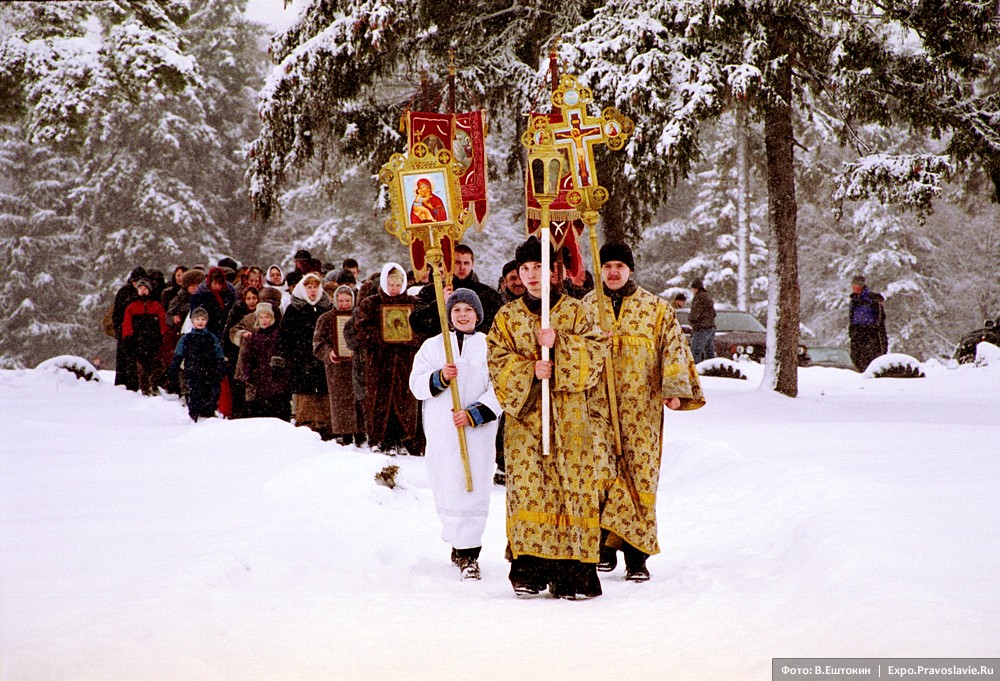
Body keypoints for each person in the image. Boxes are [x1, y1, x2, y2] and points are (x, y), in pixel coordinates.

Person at [486, 236, 610, 600]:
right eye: (524, 269)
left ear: (554, 270)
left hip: (569, 416)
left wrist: (562, 345)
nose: (530, 275)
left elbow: (597, 353)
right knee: (529, 489)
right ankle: (529, 570)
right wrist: (529, 370)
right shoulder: (507, 316)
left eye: (538, 267)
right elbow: (496, 360)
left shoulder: (576, 311)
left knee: (570, 489)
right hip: (526, 421)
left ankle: (573, 574)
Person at [584, 243, 706, 581]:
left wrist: (675, 390)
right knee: (599, 472)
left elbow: (673, 348)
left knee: (639, 478)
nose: (612, 272)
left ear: (630, 270)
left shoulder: (657, 309)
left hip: (642, 408)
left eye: (619, 266)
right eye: (606, 265)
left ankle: (636, 557)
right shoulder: (587, 307)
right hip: (597, 407)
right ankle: (603, 545)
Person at [409, 288, 500, 581]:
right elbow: (416, 384)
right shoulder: (434, 347)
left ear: (478, 315)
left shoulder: (490, 346)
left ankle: (470, 553)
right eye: (457, 310)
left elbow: (501, 387)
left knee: (474, 485)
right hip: (444, 431)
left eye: (468, 311)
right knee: (448, 483)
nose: (463, 315)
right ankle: (458, 544)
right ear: (449, 315)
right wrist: (439, 378)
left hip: (477, 433)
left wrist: (477, 413)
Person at [352, 263, 422, 455]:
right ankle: (378, 438)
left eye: (398, 284)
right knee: (379, 399)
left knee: (403, 399)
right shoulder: (371, 303)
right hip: (379, 361)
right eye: (390, 284)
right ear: (383, 282)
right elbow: (359, 329)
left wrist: (409, 338)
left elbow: (423, 329)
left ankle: (401, 438)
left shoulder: (413, 304)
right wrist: (380, 336)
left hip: (404, 360)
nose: (394, 288)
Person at [274, 272, 334, 439]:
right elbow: (284, 335)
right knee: (304, 392)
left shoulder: (326, 307)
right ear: (303, 288)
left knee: (323, 391)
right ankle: (306, 424)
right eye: (309, 287)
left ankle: (325, 426)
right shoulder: (294, 308)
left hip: (322, 356)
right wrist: (282, 355)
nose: (313, 290)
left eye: (315, 287)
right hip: (301, 357)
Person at [410, 244, 504, 337]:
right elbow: (417, 323)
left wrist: (472, 335)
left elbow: (498, 324)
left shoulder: (488, 294)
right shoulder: (431, 291)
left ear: (472, 264)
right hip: (440, 347)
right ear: (449, 263)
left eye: (466, 263)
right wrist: (440, 303)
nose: (462, 267)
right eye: (458, 262)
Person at [314, 285, 362, 444]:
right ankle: (346, 435)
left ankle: (362, 433)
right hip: (337, 368)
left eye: (347, 300)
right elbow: (318, 343)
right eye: (340, 300)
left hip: (357, 367)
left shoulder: (360, 316)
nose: (344, 304)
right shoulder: (326, 318)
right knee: (341, 402)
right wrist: (329, 352)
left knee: (360, 399)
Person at [235, 302, 290, 420]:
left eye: (267, 316)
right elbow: (247, 358)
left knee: (278, 414)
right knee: (261, 415)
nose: (264, 320)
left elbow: (286, 355)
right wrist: (248, 375)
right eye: (261, 317)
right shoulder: (253, 337)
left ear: (272, 318)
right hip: (259, 382)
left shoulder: (279, 335)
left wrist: (281, 367)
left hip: (277, 381)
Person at [170, 307, 226, 422]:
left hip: (209, 371)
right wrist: (174, 368)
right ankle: (195, 415)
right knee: (195, 393)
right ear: (192, 321)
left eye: (203, 319)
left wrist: (220, 366)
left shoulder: (211, 337)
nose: (200, 322)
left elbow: (219, 354)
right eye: (197, 319)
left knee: (210, 393)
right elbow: (178, 354)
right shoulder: (187, 338)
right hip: (193, 371)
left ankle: (209, 414)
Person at [121, 278, 168, 396]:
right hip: (139, 341)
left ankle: (154, 384)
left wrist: (163, 335)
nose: (143, 291)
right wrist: (128, 337)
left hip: (154, 340)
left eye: (145, 288)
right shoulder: (131, 306)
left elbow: (163, 322)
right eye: (140, 288)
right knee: (141, 367)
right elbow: (127, 323)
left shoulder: (156, 306)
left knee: (155, 365)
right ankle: (144, 388)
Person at [112, 266, 146, 390]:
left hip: (141, 334)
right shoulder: (124, 293)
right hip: (125, 332)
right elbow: (117, 314)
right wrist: (120, 330)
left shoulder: (145, 292)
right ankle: (124, 385)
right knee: (125, 361)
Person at [848, 275, 888, 371]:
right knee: (856, 358)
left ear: (861, 286)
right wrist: (852, 331)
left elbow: (880, 319)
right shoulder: (854, 300)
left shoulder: (872, 299)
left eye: (856, 285)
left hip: (871, 334)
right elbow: (852, 318)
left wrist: (875, 331)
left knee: (870, 360)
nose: (854, 287)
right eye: (853, 285)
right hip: (857, 334)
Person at [688, 278, 716, 363]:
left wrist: (691, 319)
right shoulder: (707, 296)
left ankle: (695, 370)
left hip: (701, 328)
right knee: (709, 352)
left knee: (695, 351)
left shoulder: (698, 297)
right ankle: (711, 369)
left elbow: (695, 313)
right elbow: (713, 313)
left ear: (696, 288)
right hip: (710, 328)